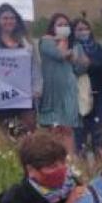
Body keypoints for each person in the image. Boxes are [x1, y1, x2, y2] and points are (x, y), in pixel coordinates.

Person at [0, 3, 40, 135]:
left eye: (12, 18)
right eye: (5, 18)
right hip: (2, 97)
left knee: (28, 132)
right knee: (9, 133)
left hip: (25, 95)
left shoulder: (26, 42)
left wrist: (37, 88)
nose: (9, 21)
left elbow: (35, 67)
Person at [37, 13, 82, 152]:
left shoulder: (75, 45)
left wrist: (74, 56)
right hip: (52, 92)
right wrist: (62, 42)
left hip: (69, 91)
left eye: (66, 25)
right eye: (59, 25)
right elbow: (59, 55)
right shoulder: (46, 42)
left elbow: (80, 67)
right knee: (55, 129)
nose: (63, 27)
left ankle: (71, 163)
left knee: (68, 129)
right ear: (53, 27)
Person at [71, 18, 102, 154]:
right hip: (78, 95)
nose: (83, 32)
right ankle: (82, 166)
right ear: (73, 31)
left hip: (98, 94)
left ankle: (100, 165)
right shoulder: (71, 48)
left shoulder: (98, 47)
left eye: (85, 28)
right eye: (79, 29)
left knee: (99, 133)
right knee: (79, 133)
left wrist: (90, 63)